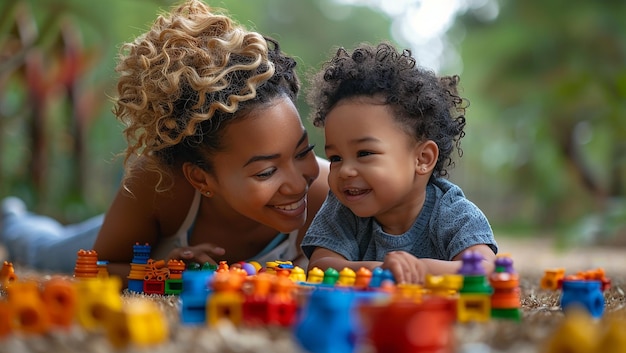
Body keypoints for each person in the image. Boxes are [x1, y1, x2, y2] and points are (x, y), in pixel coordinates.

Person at [0, 0, 329, 280]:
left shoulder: (328, 190)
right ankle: (11, 219)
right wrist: (163, 270)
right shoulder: (160, 187)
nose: (297, 182)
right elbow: (94, 268)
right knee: (42, 249)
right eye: (266, 172)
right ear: (201, 178)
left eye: (303, 151)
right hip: (128, 233)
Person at [301, 42, 497, 284]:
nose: (346, 171)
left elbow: (485, 271)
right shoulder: (343, 209)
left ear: (422, 159)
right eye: (336, 158)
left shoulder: (453, 213)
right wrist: (385, 270)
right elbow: (320, 267)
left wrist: (419, 269)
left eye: (364, 153)